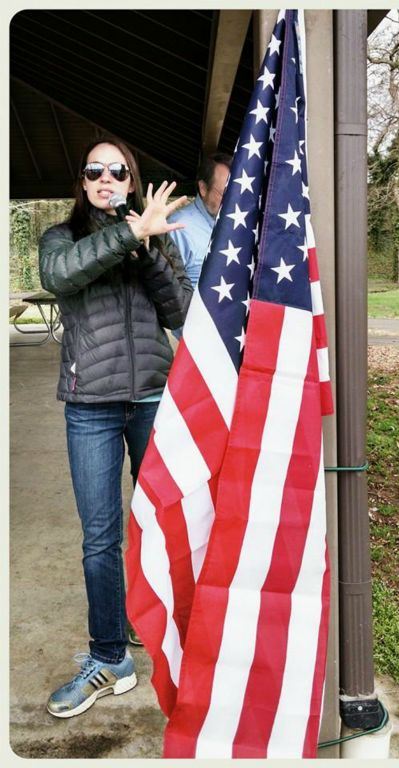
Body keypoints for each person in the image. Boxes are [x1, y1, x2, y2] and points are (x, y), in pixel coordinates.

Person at [39, 137, 192, 718]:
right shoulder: (61, 237)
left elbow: (179, 313)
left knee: (165, 523)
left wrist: (147, 246)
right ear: (83, 182)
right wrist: (129, 234)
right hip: (92, 407)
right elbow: (61, 276)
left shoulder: (151, 239)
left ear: (132, 182)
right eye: (95, 171)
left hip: (154, 399)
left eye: (118, 171)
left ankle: (174, 632)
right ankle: (110, 657)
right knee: (100, 538)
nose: (106, 178)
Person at [168, 152, 232, 308]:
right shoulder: (178, 228)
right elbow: (168, 297)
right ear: (203, 188)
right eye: (225, 193)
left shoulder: (237, 225)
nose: (233, 201)